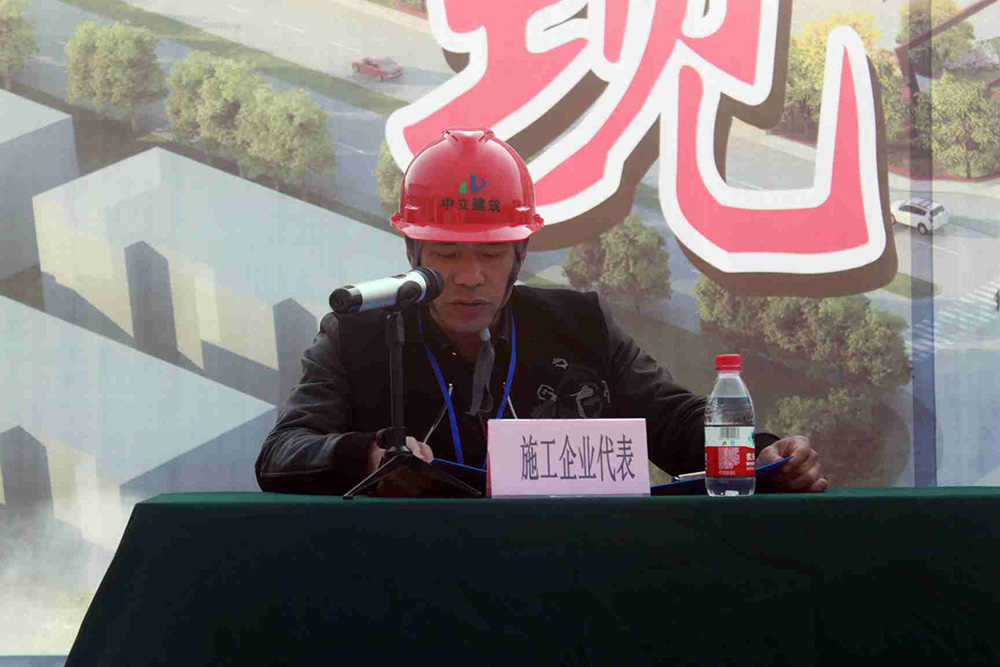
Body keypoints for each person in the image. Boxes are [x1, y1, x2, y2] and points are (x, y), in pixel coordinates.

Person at [255, 128, 827, 496]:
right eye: (447, 254)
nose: (470, 276)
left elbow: (672, 419)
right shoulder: (358, 332)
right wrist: (366, 456)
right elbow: (281, 454)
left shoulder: (579, 323)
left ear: (520, 255)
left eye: (491, 254)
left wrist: (759, 451)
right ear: (413, 254)